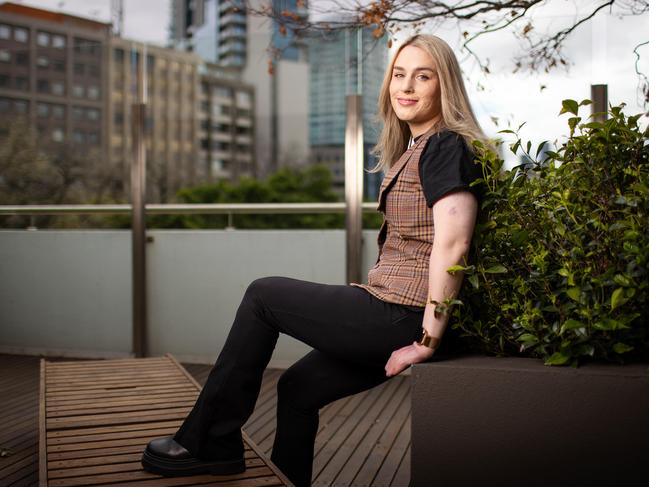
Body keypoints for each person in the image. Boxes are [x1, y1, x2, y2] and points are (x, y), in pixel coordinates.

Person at [141, 33, 488, 487]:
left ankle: (209, 442)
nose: (406, 86)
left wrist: (427, 339)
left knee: (262, 294)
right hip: (390, 305)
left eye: (422, 76)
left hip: (406, 315)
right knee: (298, 389)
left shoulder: (444, 146)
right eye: (399, 75)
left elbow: (453, 244)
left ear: (444, 86)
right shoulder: (416, 149)